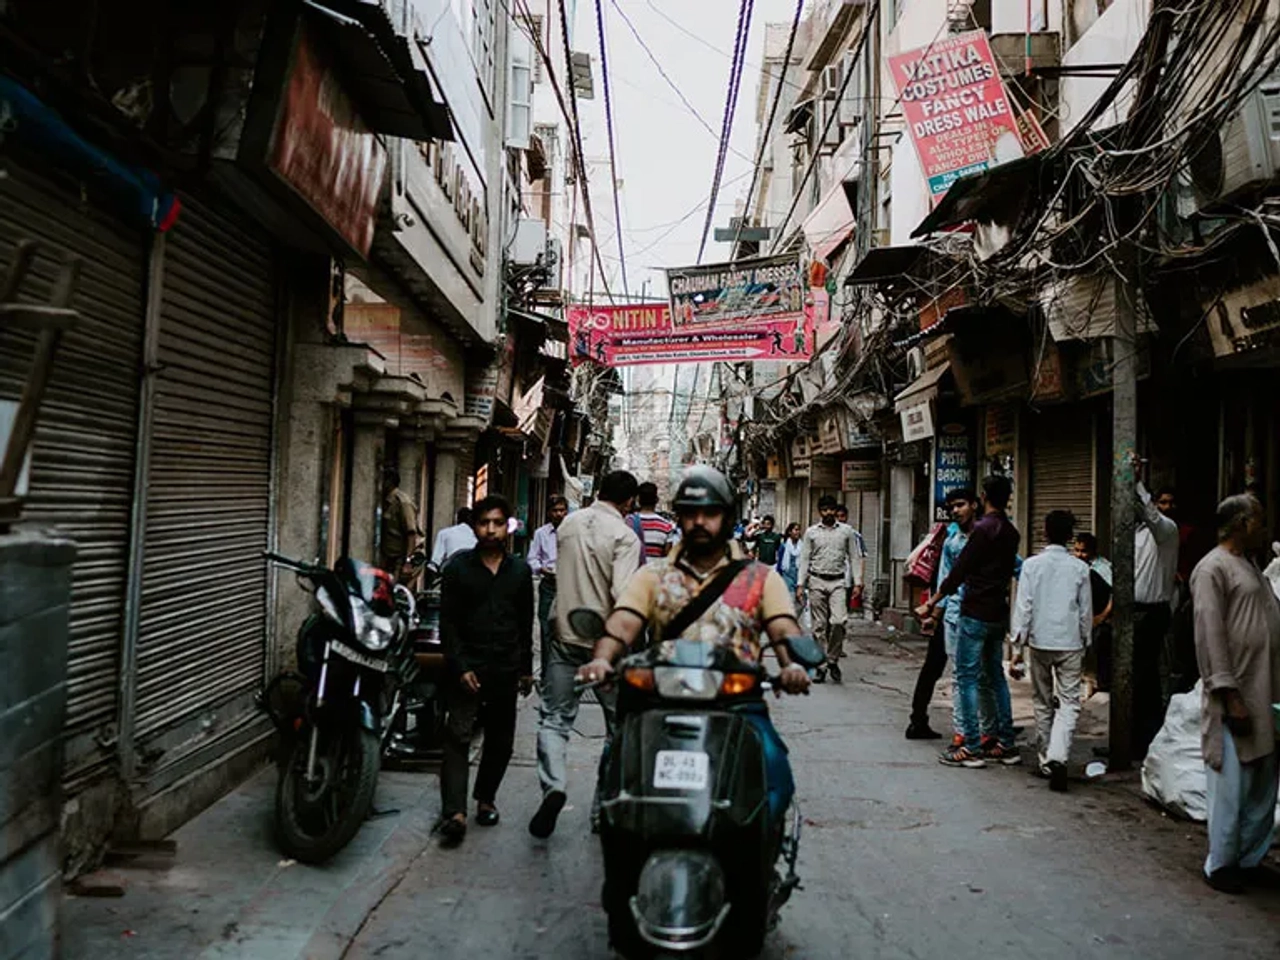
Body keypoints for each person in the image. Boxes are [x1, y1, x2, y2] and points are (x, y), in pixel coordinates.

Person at [576, 466, 810, 823]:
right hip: (662, 699)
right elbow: (623, 621)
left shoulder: (759, 578)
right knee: (618, 765)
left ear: (727, 518)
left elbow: (782, 627)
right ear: (679, 518)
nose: (699, 522)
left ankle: (765, 853)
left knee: (775, 773)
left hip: (737, 704)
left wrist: (792, 664)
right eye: (690, 513)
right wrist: (602, 659)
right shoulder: (654, 575)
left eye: (710, 513)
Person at [531, 470, 642, 839]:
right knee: (618, 729)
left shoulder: (569, 525)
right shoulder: (624, 537)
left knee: (554, 720)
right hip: (605, 647)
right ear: (628, 502)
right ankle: (601, 808)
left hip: (564, 636)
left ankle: (554, 784)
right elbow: (623, 594)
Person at [1190, 494, 1280, 894]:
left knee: (1263, 783)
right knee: (1230, 785)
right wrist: (1229, 693)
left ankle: (1249, 858)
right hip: (1237, 692)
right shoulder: (1212, 568)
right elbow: (1210, 634)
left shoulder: (1251, 565)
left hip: (1266, 689)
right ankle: (1221, 863)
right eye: (1258, 519)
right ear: (1242, 523)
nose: (1264, 527)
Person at [436, 495, 535, 848]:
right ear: (474, 526)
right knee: (458, 737)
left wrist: (526, 669)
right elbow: (448, 623)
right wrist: (460, 666)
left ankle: (486, 799)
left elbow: (525, 622)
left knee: (501, 740)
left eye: (497, 523)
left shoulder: (520, 571)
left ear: (508, 527)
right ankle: (454, 812)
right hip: (468, 668)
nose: (490, 530)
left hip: (505, 668)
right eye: (483, 523)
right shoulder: (458, 568)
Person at [916, 474, 1021, 769]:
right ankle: (1006, 743)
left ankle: (971, 746)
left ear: (983, 497)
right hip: (998, 613)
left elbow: (958, 573)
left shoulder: (983, 530)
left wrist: (931, 603)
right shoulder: (1011, 532)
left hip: (974, 612)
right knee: (995, 677)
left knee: (966, 678)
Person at [1012, 511, 1092, 792]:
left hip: (1040, 641)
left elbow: (1024, 607)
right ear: (1070, 536)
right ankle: (1059, 755)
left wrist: (1017, 647)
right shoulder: (1080, 568)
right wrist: (1086, 640)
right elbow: (1085, 611)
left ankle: (1046, 759)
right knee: (1069, 703)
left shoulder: (1031, 566)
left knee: (1042, 700)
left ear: (1044, 532)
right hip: (1070, 642)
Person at [907, 488, 976, 741]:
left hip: (961, 610)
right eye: (952, 507)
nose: (955, 511)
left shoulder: (970, 535)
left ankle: (920, 720)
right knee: (958, 672)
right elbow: (946, 580)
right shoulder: (953, 538)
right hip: (952, 610)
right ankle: (966, 731)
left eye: (960, 505)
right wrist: (935, 614)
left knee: (945, 668)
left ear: (975, 504)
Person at [1132, 470, 1180, 760]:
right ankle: (1134, 738)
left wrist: (1138, 483)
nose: (1165, 507)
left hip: (1153, 612)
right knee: (1139, 679)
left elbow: (1153, 517)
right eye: (1162, 502)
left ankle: (1143, 740)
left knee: (1144, 679)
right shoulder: (1139, 533)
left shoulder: (1167, 529)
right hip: (1135, 611)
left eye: (1169, 503)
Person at [798, 495, 864, 683]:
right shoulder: (811, 532)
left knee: (838, 621)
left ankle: (832, 659)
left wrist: (858, 582)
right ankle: (821, 666)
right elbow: (804, 559)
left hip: (838, 583)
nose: (828, 513)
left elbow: (855, 557)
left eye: (831, 509)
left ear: (836, 511)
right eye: (824, 510)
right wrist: (800, 584)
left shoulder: (847, 532)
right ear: (819, 512)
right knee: (819, 626)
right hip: (816, 581)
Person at [528, 495, 569, 676]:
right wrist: (541, 569)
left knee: (567, 629)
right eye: (555, 510)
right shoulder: (541, 533)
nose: (559, 514)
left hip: (568, 584)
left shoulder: (574, 532)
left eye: (562, 510)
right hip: (549, 584)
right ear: (549, 512)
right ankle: (546, 674)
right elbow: (532, 558)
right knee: (546, 629)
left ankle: (563, 672)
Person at [1074, 533, 1114, 692]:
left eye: (1083, 551)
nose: (1079, 555)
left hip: (1103, 618)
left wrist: (1103, 616)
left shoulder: (1103, 568)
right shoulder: (1078, 567)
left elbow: (1115, 593)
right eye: (1076, 550)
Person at [380, 467, 422, 583]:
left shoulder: (402, 502)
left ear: (389, 481)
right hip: (388, 557)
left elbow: (411, 533)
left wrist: (408, 561)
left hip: (400, 558)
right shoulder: (385, 500)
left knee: (396, 588)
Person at [629, 481, 678, 562]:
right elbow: (667, 557)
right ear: (657, 500)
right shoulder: (666, 526)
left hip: (633, 568)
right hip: (655, 569)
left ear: (638, 499)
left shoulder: (629, 522)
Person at [776, 522, 803, 593]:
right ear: (790, 532)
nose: (798, 532)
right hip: (787, 577)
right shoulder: (784, 546)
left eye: (799, 530)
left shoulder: (802, 546)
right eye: (796, 530)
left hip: (798, 577)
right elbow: (779, 564)